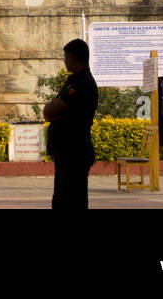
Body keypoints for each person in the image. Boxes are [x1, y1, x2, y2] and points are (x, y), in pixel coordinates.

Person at [44, 38, 99, 210]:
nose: (64, 61)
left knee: (72, 200)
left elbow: (51, 110)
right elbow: (50, 110)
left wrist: (55, 113)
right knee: (62, 199)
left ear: (74, 58)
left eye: (66, 57)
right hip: (66, 151)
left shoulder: (83, 84)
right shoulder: (73, 81)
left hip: (74, 151)